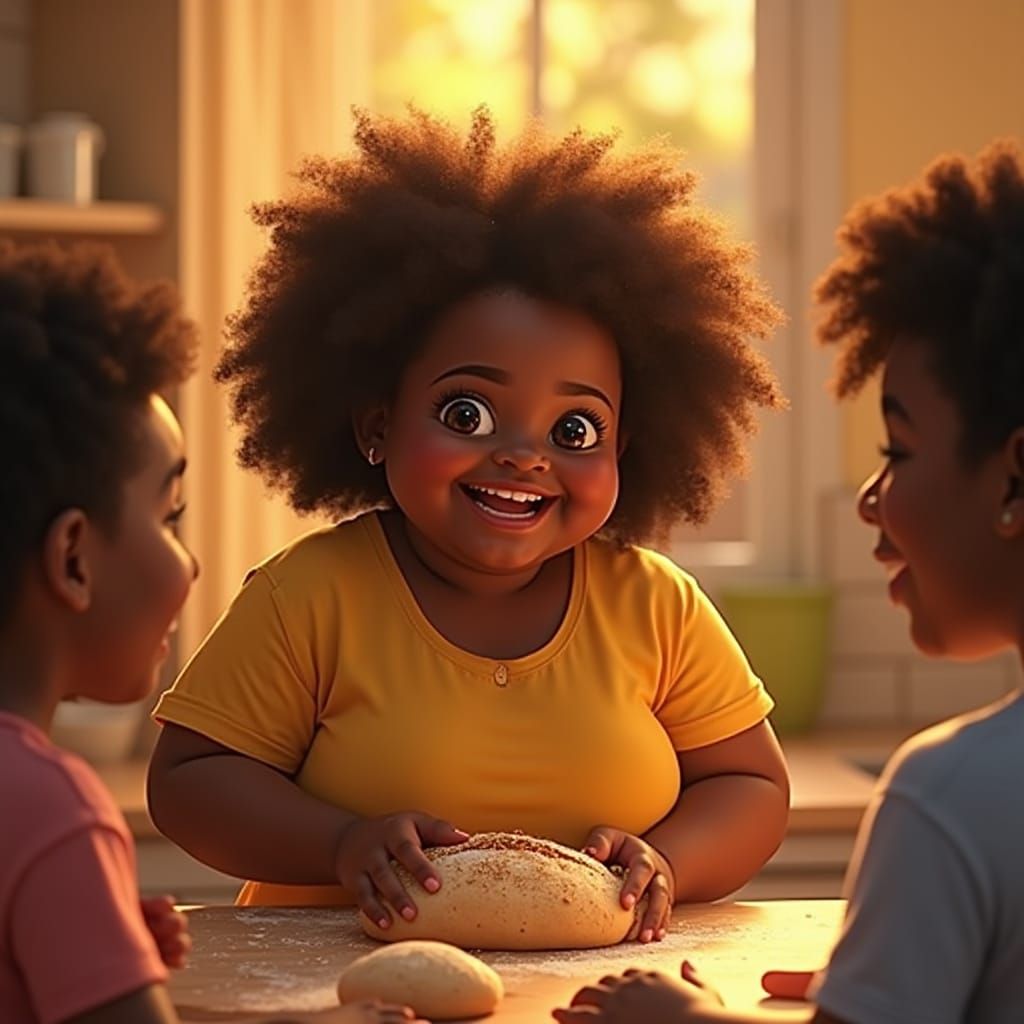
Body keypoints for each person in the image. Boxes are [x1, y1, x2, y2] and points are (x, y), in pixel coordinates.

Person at [146, 106, 791, 945]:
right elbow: (191, 780)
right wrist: (340, 845)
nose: (524, 457)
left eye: (574, 430)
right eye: (467, 412)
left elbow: (750, 786)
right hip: (342, 995)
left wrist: (667, 859)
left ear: (626, 446)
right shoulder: (310, 595)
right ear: (376, 422)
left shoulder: (657, 604)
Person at [553, 139, 1024, 1023]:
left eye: (899, 452)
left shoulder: (949, 793)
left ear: (1013, 481)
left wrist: (684, 1020)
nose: (871, 500)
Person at [0, 241, 421, 1024]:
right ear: (73, 559)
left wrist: (89, 952)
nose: (191, 566)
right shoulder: (51, 809)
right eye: (169, 517)